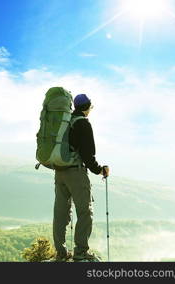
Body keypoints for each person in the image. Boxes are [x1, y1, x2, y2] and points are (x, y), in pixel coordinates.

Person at [53, 93, 110, 262]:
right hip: (76, 173)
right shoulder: (83, 124)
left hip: (60, 171)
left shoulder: (65, 122)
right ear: (87, 107)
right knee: (85, 212)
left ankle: (61, 253)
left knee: (61, 213)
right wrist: (99, 170)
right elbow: (87, 154)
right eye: (91, 107)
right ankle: (80, 253)